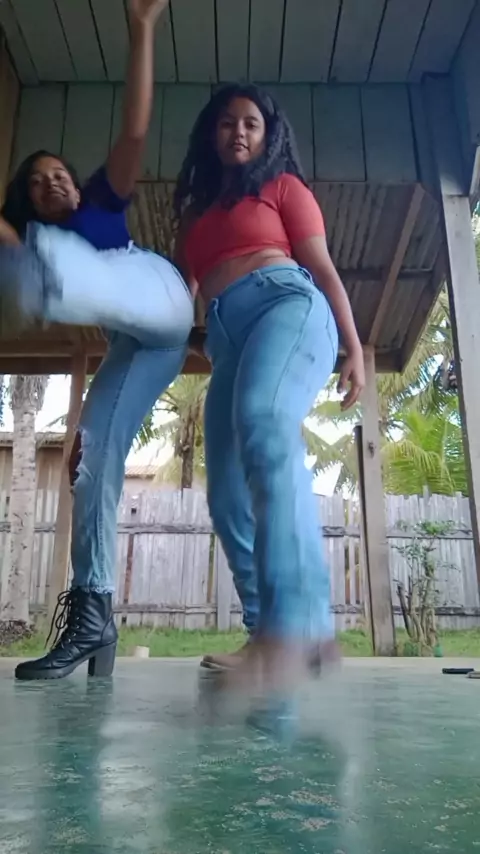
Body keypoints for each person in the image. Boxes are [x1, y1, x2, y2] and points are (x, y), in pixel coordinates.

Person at [0, 0, 194, 681]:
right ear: (29, 202)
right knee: (91, 465)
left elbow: (135, 128)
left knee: (40, 262)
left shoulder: (102, 200)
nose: (53, 180)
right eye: (37, 182)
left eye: (59, 172)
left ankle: (33, 280)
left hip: (160, 296)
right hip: (139, 346)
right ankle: (94, 614)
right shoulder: (39, 236)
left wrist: (141, 29)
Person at [174, 84, 365, 696]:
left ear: (268, 134)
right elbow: (178, 299)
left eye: (251, 123)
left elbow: (323, 268)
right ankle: (269, 634)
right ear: (211, 134)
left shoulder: (283, 189)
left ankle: (296, 629)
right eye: (227, 122)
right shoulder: (194, 217)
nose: (239, 131)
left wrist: (355, 348)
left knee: (264, 422)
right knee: (227, 492)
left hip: (287, 305)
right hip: (227, 341)